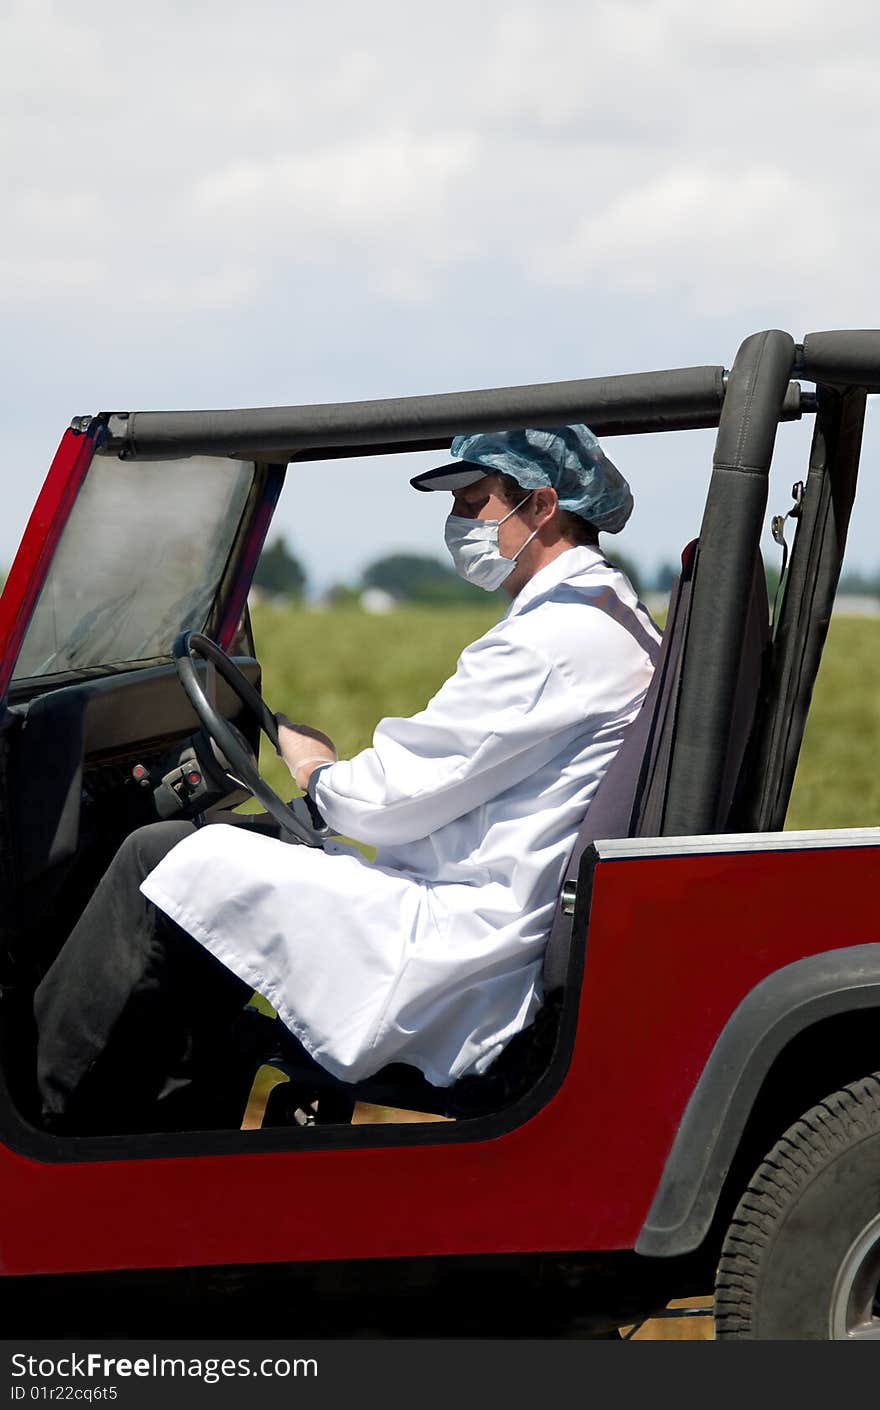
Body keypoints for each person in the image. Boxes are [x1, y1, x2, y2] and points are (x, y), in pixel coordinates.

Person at [33, 425, 661, 1135]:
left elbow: (393, 799)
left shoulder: (559, 638)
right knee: (233, 865)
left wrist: (316, 767)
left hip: (463, 940)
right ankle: (154, 1130)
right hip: (478, 899)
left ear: (543, 505)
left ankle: (41, 1121)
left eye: (474, 501)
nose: (457, 525)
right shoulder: (600, 613)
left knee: (162, 855)